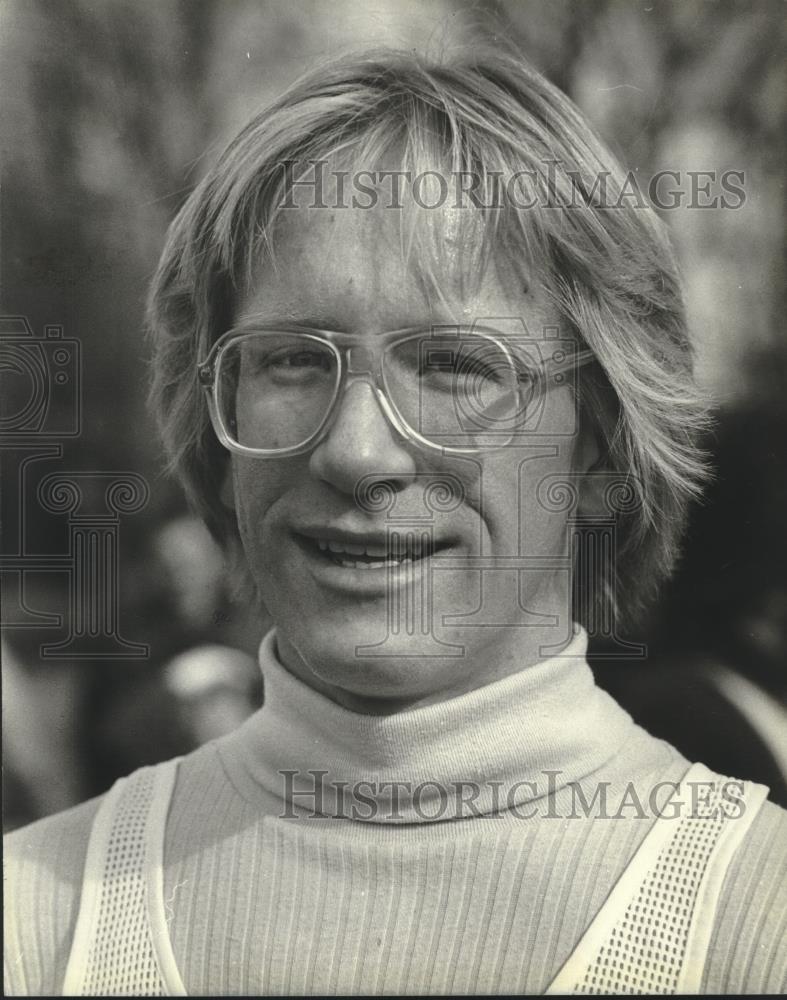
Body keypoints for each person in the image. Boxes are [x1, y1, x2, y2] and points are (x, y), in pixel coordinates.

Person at [5, 47, 786, 996]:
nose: (357, 453)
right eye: (291, 361)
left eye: (456, 365)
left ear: (603, 446)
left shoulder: (756, 921)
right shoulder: (38, 917)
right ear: (215, 412)